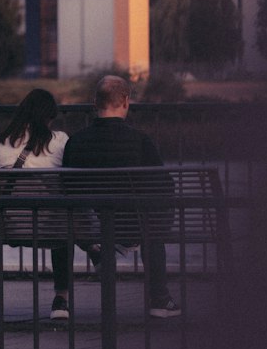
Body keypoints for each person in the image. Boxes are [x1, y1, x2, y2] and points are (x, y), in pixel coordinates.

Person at [62, 73, 181, 317]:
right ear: (126, 101)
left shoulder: (76, 142)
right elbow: (165, 187)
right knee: (154, 221)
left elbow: (67, 189)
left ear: (95, 103)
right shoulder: (140, 141)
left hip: (91, 230)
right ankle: (159, 298)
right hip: (134, 226)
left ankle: (92, 256)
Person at [0, 88, 76, 321]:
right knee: (65, 215)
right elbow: (70, 185)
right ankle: (61, 299)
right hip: (52, 229)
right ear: (48, 117)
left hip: (11, 230)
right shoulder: (60, 141)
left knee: (61, 216)